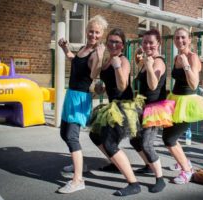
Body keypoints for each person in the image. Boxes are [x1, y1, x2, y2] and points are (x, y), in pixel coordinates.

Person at [89, 28, 144, 196]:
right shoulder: (107, 60)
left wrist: (118, 66)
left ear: (122, 45)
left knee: (109, 143)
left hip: (124, 107)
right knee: (95, 135)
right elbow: (107, 84)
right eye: (110, 41)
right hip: (112, 105)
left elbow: (122, 86)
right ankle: (115, 162)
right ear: (106, 43)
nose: (113, 45)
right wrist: (101, 87)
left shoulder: (123, 60)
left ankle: (133, 183)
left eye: (117, 42)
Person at [57, 15, 108, 194]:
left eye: (97, 32)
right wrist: (65, 48)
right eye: (91, 31)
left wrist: (100, 57)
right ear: (87, 31)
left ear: (101, 35)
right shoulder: (84, 48)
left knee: (71, 135)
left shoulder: (95, 53)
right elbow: (74, 60)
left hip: (80, 98)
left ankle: (78, 180)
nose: (93, 35)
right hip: (71, 95)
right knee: (64, 132)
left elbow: (93, 75)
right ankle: (79, 164)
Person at [162, 27, 203, 184]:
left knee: (169, 139)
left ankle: (187, 171)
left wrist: (186, 64)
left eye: (183, 38)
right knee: (170, 135)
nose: (179, 41)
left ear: (189, 40)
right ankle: (184, 161)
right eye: (176, 38)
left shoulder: (193, 57)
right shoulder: (176, 57)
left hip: (187, 102)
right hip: (175, 99)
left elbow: (194, 84)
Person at [129, 29, 175, 193]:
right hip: (142, 105)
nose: (147, 45)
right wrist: (140, 60)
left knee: (146, 144)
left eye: (151, 42)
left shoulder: (158, 62)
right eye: (144, 42)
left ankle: (160, 179)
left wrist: (148, 66)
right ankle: (149, 165)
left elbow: (153, 85)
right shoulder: (148, 60)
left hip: (154, 108)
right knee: (134, 140)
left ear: (158, 44)